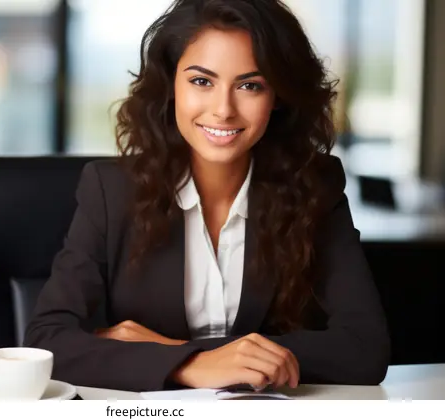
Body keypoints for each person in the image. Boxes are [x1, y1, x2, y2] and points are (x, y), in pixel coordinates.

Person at [24, 0, 390, 392]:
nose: (223, 110)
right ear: (171, 85)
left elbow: (365, 349)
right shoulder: (111, 190)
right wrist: (196, 364)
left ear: (278, 96)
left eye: (250, 85)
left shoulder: (314, 186)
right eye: (202, 81)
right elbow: (46, 343)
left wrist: (181, 353)